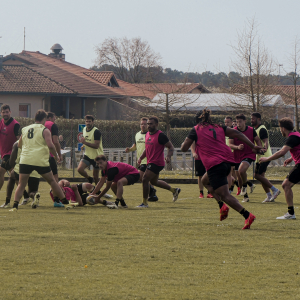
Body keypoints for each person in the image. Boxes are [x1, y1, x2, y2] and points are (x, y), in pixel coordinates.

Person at [181, 109, 261, 229]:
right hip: (227, 160)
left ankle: (247, 215)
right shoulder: (219, 126)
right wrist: (253, 146)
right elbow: (238, 134)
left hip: (214, 163)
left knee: (225, 195)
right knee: (204, 181)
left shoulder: (196, 129)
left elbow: (184, 148)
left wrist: (186, 141)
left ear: (197, 120)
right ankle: (222, 206)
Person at [10, 109, 70, 212]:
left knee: (21, 184)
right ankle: (66, 203)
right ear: (44, 119)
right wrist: (56, 156)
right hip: (39, 160)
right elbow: (51, 145)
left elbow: (19, 144)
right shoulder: (45, 130)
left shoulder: (25, 129)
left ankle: (15, 206)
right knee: (52, 181)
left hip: (25, 159)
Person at [259, 117, 300, 219]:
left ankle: (290, 214)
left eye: (280, 128)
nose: (280, 130)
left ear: (283, 128)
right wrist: (291, 158)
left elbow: (281, 152)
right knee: (286, 185)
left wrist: (267, 158)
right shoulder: (297, 135)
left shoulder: (292, 138)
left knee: (286, 185)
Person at [137, 116, 181, 208]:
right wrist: (141, 157)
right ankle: (174, 190)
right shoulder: (147, 134)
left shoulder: (161, 135)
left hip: (157, 162)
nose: (149, 126)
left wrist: (168, 156)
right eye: (148, 124)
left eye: (151, 124)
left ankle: (144, 203)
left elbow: (171, 147)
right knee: (154, 182)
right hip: (150, 162)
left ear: (156, 124)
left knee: (145, 179)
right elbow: (147, 148)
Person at [229, 114, 263, 202]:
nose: (238, 123)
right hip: (237, 156)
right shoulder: (233, 131)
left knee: (241, 170)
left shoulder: (251, 130)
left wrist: (259, 148)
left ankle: (244, 186)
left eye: (240, 121)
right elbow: (230, 144)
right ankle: (245, 196)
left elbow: (258, 140)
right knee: (239, 177)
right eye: (237, 122)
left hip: (249, 154)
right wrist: (237, 147)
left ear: (245, 121)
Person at [125, 117, 158, 202]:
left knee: (142, 177)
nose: (143, 125)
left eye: (145, 124)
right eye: (141, 124)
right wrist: (129, 149)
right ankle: (152, 192)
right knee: (148, 179)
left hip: (148, 160)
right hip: (141, 160)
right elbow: (135, 146)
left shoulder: (150, 134)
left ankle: (150, 193)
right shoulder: (137, 134)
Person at [251, 112, 281, 203]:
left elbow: (266, 141)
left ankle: (275, 189)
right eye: (251, 118)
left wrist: (264, 149)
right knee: (261, 176)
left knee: (257, 175)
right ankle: (269, 196)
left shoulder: (262, 129)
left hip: (265, 156)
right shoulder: (254, 129)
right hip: (259, 156)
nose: (251, 120)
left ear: (258, 119)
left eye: (253, 119)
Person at [6, 141, 41, 208]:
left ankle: (7, 202)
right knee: (32, 191)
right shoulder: (37, 142)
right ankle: (34, 195)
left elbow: (11, 161)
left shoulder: (17, 143)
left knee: (12, 176)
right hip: (35, 170)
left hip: (22, 168)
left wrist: (13, 166)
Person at [0, 104, 20, 208]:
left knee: (1, 171)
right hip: (3, 153)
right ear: (1, 113)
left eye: (7, 112)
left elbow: (19, 140)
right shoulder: (1, 122)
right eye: (3, 112)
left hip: (11, 154)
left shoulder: (15, 124)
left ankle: (7, 202)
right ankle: (27, 196)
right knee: (15, 176)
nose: (5, 114)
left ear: (10, 112)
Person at [191, 113, 213, 199]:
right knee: (200, 175)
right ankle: (201, 193)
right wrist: (193, 153)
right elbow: (192, 143)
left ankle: (210, 192)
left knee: (210, 174)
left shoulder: (210, 129)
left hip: (209, 156)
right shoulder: (195, 129)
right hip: (199, 157)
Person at [50, 179, 114, 207]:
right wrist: (76, 191)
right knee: (90, 199)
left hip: (72, 190)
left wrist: (65, 182)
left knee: (88, 185)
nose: (64, 191)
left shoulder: (54, 189)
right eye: (62, 191)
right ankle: (106, 202)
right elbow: (79, 204)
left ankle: (100, 193)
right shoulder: (64, 201)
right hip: (77, 197)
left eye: (62, 189)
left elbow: (61, 181)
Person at [78, 115, 103, 184]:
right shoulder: (84, 129)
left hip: (97, 156)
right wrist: (83, 145)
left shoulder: (96, 132)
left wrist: (85, 142)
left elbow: (96, 146)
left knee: (96, 177)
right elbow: (86, 139)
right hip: (88, 155)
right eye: (86, 121)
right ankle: (89, 178)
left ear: (93, 122)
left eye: (89, 121)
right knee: (80, 169)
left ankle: (97, 192)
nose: (88, 123)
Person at [45, 112, 62, 182]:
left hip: (37, 154)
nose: (55, 120)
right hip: (49, 154)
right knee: (54, 174)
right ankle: (56, 192)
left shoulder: (39, 124)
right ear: (50, 118)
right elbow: (55, 142)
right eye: (54, 118)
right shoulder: (52, 125)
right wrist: (59, 155)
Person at [224, 116, 239, 194]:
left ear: (231, 122)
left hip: (232, 153)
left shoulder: (233, 131)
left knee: (231, 172)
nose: (226, 124)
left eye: (228, 122)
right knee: (229, 172)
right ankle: (238, 185)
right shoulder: (223, 131)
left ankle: (230, 190)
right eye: (225, 122)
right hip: (224, 153)